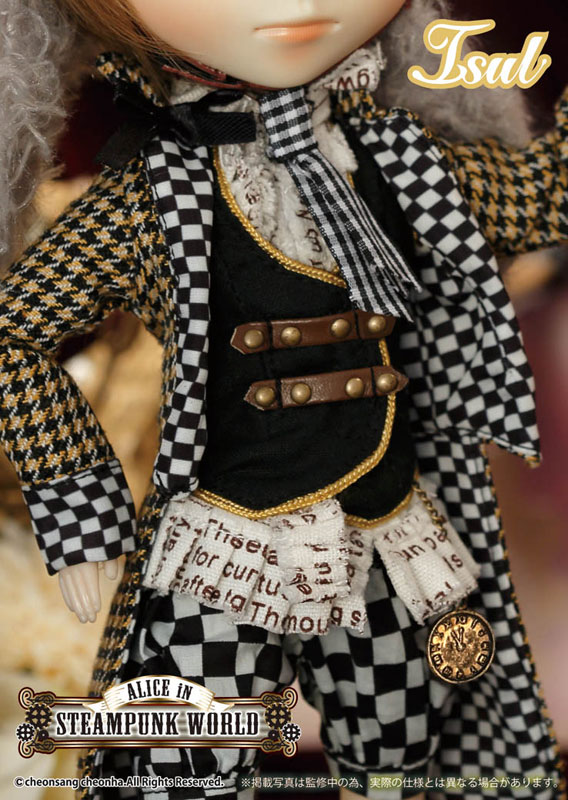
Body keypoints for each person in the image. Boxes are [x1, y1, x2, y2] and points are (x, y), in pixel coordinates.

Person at [1, 1, 567, 798]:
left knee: (402, 758)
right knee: (182, 767)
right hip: (226, 547)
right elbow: (16, 332)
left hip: (385, 532)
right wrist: (80, 505)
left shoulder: (396, 159)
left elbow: (539, 198)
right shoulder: (154, 198)